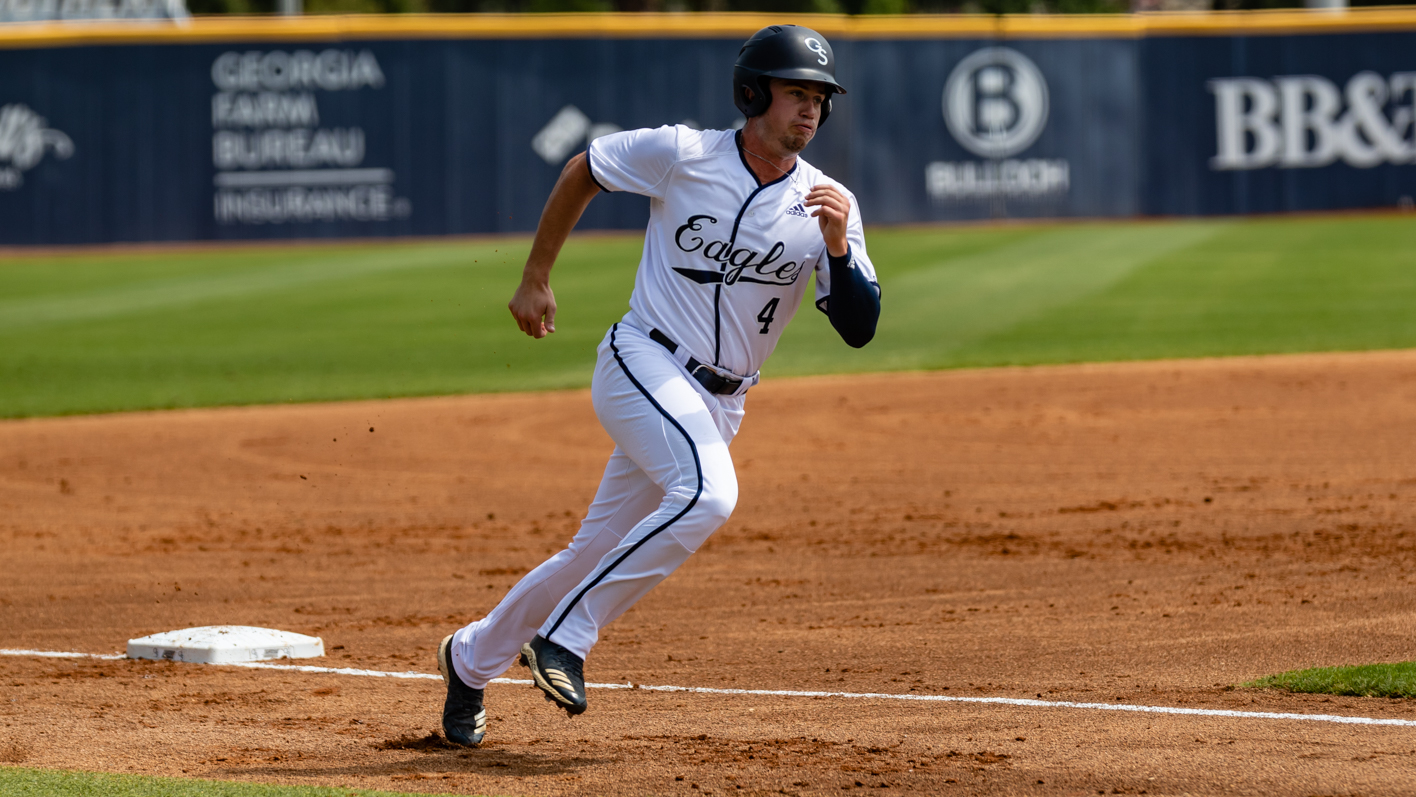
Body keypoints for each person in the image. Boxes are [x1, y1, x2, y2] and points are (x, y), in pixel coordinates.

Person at [436, 24, 881, 747]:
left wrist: (837, 248)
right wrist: (536, 277)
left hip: (721, 399)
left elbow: (859, 326)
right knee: (709, 494)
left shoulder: (832, 205)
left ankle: (469, 657)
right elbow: (586, 167)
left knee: (591, 552)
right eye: (795, 92)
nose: (810, 110)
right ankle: (567, 637)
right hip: (643, 358)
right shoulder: (683, 153)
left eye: (819, 98)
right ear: (752, 92)